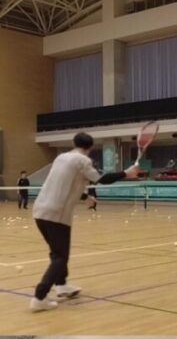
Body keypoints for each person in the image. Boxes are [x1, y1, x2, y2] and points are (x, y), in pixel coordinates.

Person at [29, 132, 138, 312]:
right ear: (91, 147)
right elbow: (102, 179)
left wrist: (85, 196)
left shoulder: (61, 158)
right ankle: (39, 297)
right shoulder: (83, 161)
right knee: (60, 256)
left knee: (56, 252)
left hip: (40, 210)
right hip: (57, 214)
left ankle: (61, 285)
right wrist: (126, 173)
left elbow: (64, 183)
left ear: (74, 143)